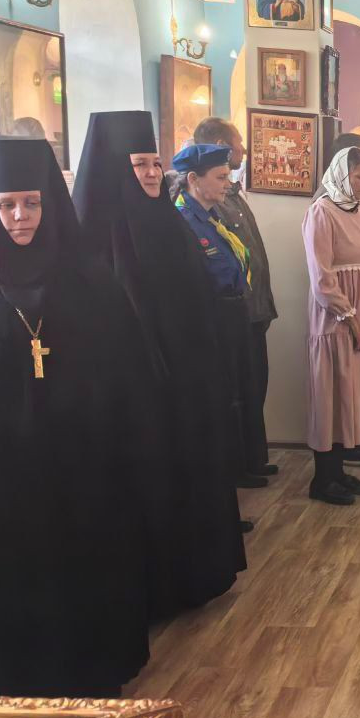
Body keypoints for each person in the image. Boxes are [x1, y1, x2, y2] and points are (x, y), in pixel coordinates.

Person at [0, 136, 150, 696]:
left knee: (83, 558)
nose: (20, 217)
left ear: (49, 203)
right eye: (6, 205)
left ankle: (89, 664)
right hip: (4, 471)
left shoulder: (89, 282)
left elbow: (122, 370)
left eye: (31, 203)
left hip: (80, 459)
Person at [73, 111, 244, 614]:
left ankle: (192, 579)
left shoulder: (169, 222)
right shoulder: (94, 239)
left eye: (154, 163)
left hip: (186, 385)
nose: (150, 173)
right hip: (136, 392)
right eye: (138, 164)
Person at [172, 143, 265, 490]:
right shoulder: (183, 220)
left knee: (239, 391)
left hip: (233, 311)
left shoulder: (212, 217)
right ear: (194, 180)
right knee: (222, 397)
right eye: (220, 177)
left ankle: (241, 464)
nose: (228, 183)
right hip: (212, 317)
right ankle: (225, 475)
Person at [302, 147, 360, 505]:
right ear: (341, 175)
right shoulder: (321, 213)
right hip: (336, 323)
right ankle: (323, 479)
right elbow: (321, 278)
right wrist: (350, 319)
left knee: (353, 397)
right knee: (332, 397)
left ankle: (339, 473)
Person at [191, 117, 276, 478]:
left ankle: (252, 458)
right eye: (239, 142)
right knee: (237, 391)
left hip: (253, 310)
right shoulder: (200, 206)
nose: (244, 149)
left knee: (255, 386)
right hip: (232, 313)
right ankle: (239, 465)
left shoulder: (232, 194)